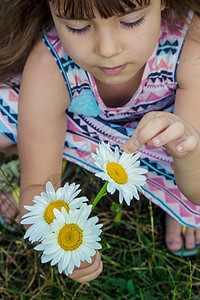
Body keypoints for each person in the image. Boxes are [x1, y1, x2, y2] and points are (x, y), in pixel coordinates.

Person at [1, 0, 200, 283]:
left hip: (163, 140)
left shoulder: (190, 45)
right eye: (78, 26)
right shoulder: (50, 62)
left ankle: (175, 204)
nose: (107, 50)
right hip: (84, 130)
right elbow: (36, 186)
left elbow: (199, 189)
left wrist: (187, 149)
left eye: (131, 21)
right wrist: (61, 241)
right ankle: (57, 166)